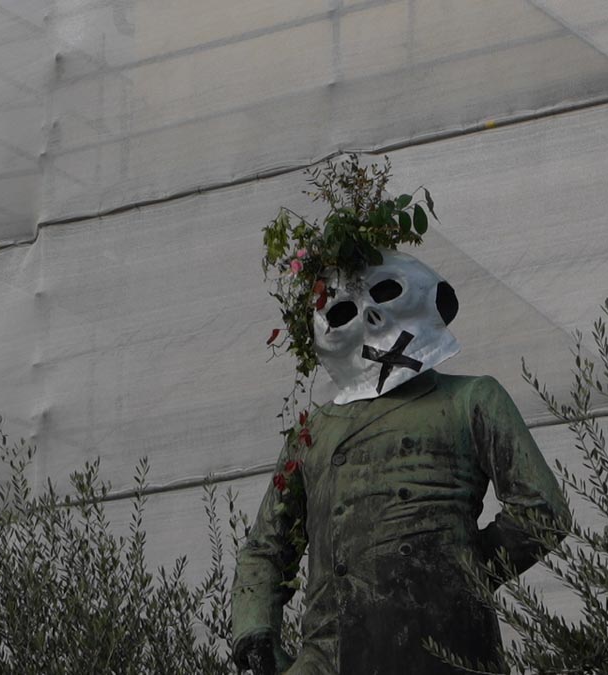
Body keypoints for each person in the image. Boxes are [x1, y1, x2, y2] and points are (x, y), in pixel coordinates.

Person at [231, 251, 570, 674]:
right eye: (343, 312)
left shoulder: (472, 400)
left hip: (445, 647)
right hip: (330, 656)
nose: (372, 315)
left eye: (388, 291)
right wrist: (255, 631)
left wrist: (455, 572)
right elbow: (267, 546)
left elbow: (541, 511)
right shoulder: (313, 434)